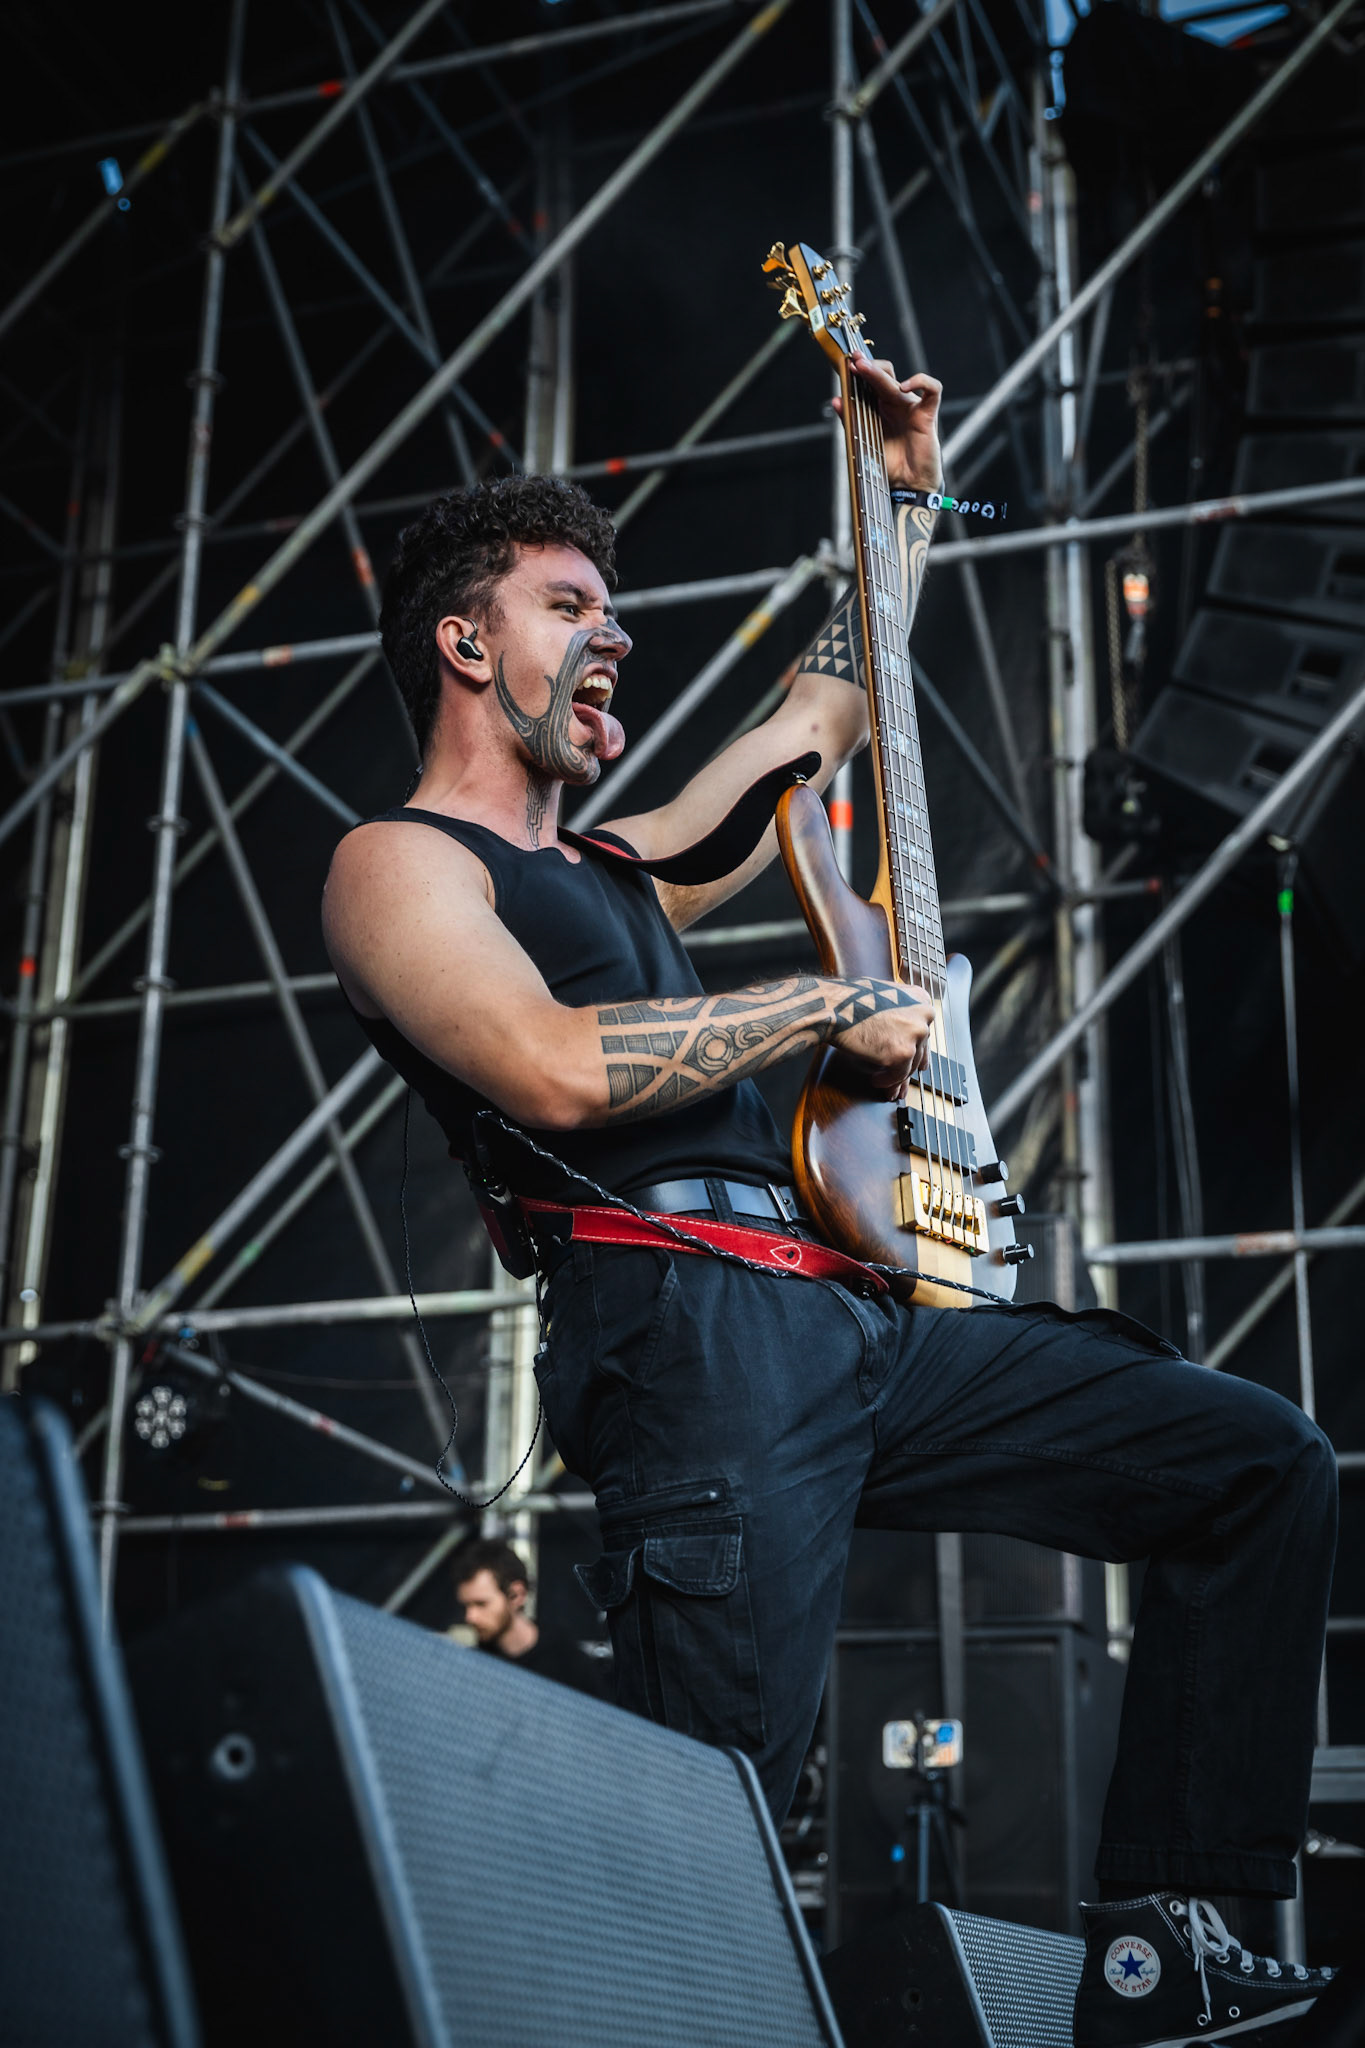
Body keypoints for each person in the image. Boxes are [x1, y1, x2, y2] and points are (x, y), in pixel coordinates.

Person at [323, 353, 1337, 2047]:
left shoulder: (624, 864)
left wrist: (903, 500)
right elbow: (550, 1067)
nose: (613, 636)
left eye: (611, 610)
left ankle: (1162, 1940)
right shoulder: (400, 864)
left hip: (850, 1322)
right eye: (569, 606)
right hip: (686, 1341)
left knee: (1254, 1461)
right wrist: (814, 1005)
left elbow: (822, 718)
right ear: (464, 643)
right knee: (712, 1820)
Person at [450, 1535, 610, 1699]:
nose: (470, 1617)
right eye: (466, 1606)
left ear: (516, 1595)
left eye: (481, 1604)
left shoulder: (567, 1663)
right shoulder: (474, 1668)